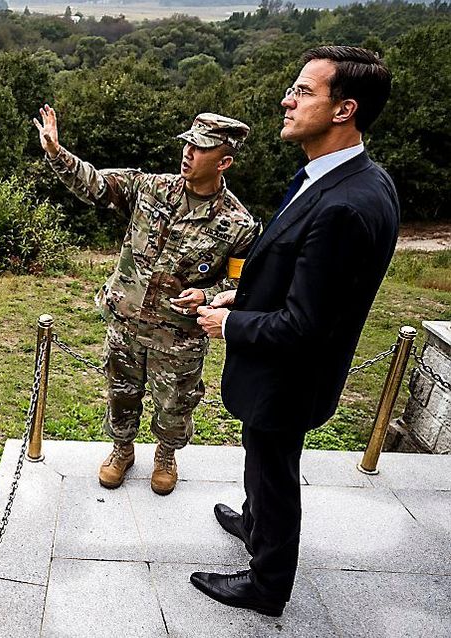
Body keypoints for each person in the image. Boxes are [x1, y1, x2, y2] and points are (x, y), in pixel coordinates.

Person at [190, 46, 399, 616]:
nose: (287, 100)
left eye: (304, 92)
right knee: (262, 460)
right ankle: (255, 523)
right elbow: (314, 282)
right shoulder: (350, 176)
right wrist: (249, 293)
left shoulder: (346, 204)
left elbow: (305, 326)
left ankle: (267, 582)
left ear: (343, 109)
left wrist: (229, 320)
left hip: (289, 377)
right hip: (289, 372)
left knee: (274, 470)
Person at [34, 107, 259, 495]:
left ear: (224, 161)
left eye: (200, 148)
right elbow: (97, 186)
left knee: (174, 404)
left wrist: (207, 294)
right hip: (126, 321)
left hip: (179, 336)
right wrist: (57, 152)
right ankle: (122, 450)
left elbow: (242, 283)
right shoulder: (150, 188)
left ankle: (166, 454)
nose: (188, 153)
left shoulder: (238, 223)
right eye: (188, 144)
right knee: (121, 394)